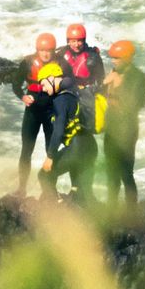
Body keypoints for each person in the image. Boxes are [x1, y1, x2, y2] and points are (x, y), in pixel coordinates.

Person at [12, 32, 71, 196]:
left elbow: (70, 81)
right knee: (26, 150)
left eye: (49, 50)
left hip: (52, 111)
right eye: (42, 50)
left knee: (50, 151)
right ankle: (21, 188)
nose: (45, 54)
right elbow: (16, 83)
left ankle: (50, 190)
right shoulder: (28, 62)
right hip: (32, 111)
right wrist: (22, 96)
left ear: (53, 50)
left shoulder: (61, 62)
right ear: (37, 50)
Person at [36, 65, 97, 203]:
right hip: (91, 147)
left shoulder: (61, 100)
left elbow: (58, 130)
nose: (44, 89)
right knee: (81, 192)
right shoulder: (75, 91)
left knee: (44, 175)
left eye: (44, 84)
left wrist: (50, 156)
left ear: (52, 78)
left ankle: (56, 209)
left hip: (77, 149)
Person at [102, 40, 145, 208]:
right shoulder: (114, 72)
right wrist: (104, 85)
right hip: (111, 128)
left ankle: (131, 210)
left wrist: (114, 91)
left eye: (117, 58)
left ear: (128, 58)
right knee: (110, 172)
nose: (113, 61)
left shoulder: (138, 77)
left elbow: (135, 104)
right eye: (112, 58)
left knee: (126, 173)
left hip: (127, 130)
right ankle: (111, 207)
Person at [56, 23, 104, 132]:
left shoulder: (93, 57)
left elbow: (101, 78)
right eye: (73, 41)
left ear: (84, 40)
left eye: (79, 41)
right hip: (67, 88)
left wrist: (98, 92)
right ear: (68, 41)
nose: (76, 45)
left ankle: (88, 134)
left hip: (86, 89)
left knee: (89, 120)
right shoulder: (61, 53)